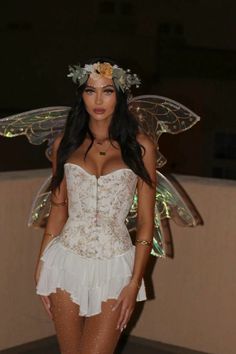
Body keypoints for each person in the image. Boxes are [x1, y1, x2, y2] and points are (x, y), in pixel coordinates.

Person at [35, 57, 157, 354]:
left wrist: (133, 282)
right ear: (81, 96)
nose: (98, 99)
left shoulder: (141, 148)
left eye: (108, 90)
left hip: (115, 267)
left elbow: (145, 222)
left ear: (121, 95)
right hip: (65, 261)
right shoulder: (64, 144)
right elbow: (59, 208)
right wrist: (41, 265)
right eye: (90, 91)